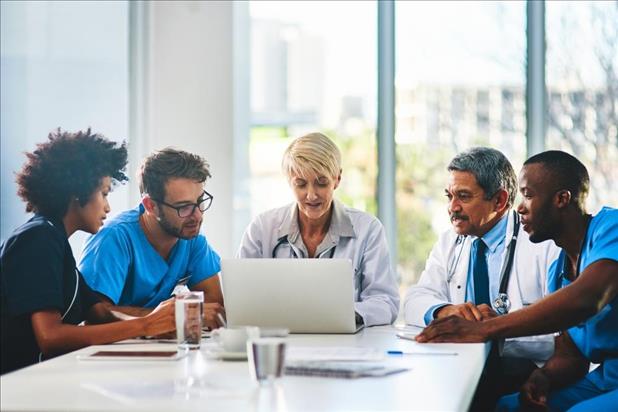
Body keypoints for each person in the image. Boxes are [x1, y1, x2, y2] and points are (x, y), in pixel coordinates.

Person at [416, 150, 618, 411]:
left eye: (528, 195)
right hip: (604, 380)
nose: (519, 206)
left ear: (562, 199)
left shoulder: (611, 228)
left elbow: (588, 299)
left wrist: (484, 329)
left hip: (608, 383)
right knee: (506, 407)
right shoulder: (559, 270)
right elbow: (571, 356)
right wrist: (543, 378)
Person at [0, 129, 175, 375]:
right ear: (78, 192)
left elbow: (99, 311)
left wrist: (168, 317)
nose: (107, 206)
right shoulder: (37, 239)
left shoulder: (56, 241)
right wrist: (146, 325)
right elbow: (50, 337)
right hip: (18, 389)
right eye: (103, 193)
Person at [403, 147, 560, 408]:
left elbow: (562, 336)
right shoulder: (450, 242)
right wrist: (444, 310)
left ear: (499, 201)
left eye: (463, 197)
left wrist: (496, 328)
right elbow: (414, 300)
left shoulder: (543, 245)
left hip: (528, 373)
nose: (452, 207)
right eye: (449, 196)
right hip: (462, 368)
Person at [236, 132, 399, 326]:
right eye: (301, 184)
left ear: (337, 179)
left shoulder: (368, 230)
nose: (311, 195)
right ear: (289, 181)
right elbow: (240, 296)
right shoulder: (262, 229)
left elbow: (385, 302)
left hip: (345, 345)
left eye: (322, 183)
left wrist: (343, 316)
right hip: (280, 341)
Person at [79, 148, 224, 328]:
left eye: (200, 201)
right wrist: (172, 316)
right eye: (184, 207)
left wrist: (181, 315)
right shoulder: (113, 238)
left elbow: (214, 308)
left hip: (159, 346)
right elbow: (94, 313)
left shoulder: (192, 240)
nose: (198, 216)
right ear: (151, 205)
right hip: (113, 349)